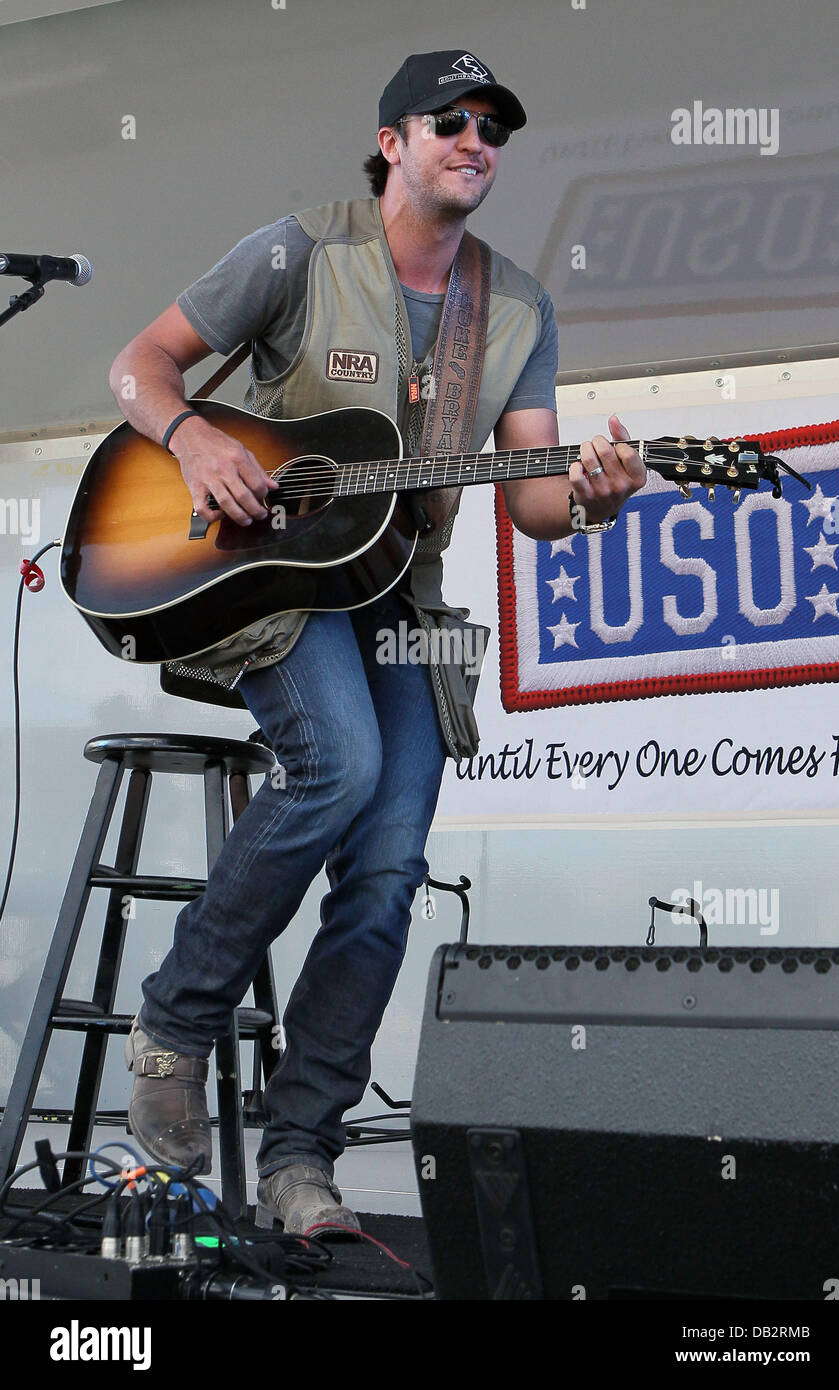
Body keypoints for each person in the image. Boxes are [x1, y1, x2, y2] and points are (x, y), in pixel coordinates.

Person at [109, 49, 646, 1237]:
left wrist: (597, 494)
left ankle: (302, 1153)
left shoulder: (512, 307)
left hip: (402, 598)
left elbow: (533, 498)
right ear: (392, 141)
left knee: (390, 868)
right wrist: (196, 438)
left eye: (491, 128)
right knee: (339, 769)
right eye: (448, 121)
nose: (474, 140)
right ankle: (175, 1021)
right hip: (269, 585)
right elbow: (137, 365)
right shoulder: (301, 249)